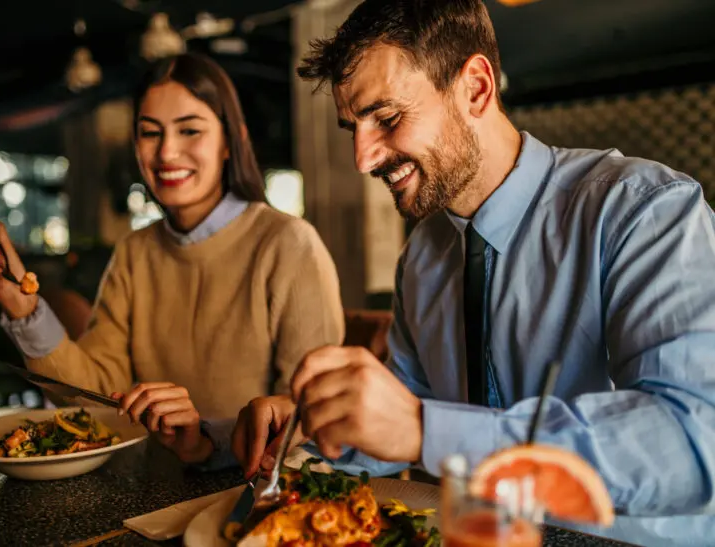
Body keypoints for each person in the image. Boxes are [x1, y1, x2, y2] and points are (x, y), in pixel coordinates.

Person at [226, 1, 715, 545]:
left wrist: (423, 429)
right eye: (353, 128)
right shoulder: (424, 256)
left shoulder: (642, 211)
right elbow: (409, 403)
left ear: (476, 88)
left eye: (386, 118)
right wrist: (312, 432)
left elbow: (694, 442)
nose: (362, 159)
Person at [0, 53, 344, 468]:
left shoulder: (288, 244)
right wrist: (25, 310)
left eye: (189, 130)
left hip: (261, 497)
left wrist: (207, 440)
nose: (167, 151)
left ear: (229, 142)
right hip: (157, 488)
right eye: (151, 133)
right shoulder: (135, 252)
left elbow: (311, 414)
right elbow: (93, 395)